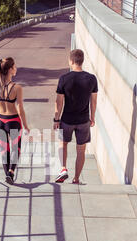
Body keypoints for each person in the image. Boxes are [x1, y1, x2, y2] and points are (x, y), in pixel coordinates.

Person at [53, 49, 98, 184]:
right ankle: (76, 178)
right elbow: (93, 101)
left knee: (62, 144)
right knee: (81, 150)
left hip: (67, 119)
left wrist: (56, 119)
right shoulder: (91, 79)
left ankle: (63, 169)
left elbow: (59, 101)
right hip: (84, 120)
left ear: (71, 61)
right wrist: (93, 117)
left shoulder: (64, 79)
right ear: (82, 61)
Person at [0, 57, 30, 185]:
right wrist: (25, 125)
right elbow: (20, 108)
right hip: (13, 121)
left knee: (4, 150)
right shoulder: (17, 88)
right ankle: (11, 172)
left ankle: (7, 174)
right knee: (15, 149)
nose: (16, 69)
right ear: (10, 70)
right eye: (15, 67)